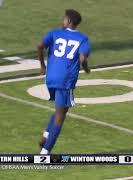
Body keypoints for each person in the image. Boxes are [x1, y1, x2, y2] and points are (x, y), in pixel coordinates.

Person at [37, 9, 91, 155]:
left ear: (69, 22)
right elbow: (82, 58)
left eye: (64, 19)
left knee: (61, 108)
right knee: (61, 116)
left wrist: (42, 65)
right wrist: (86, 68)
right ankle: (45, 152)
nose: (63, 21)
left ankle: (46, 135)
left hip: (50, 77)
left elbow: (40, 45)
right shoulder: (83, 39)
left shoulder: (55, 33)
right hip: (65, 80)